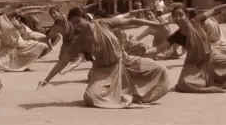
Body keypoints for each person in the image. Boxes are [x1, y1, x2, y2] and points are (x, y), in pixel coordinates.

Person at [37, 7, 170, 109]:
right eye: (74, 24)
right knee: (91, 97)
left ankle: (137, 96)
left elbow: (130, 20)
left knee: (160, 69)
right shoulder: (80, 40)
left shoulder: (103, 24)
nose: (77, 26)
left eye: (78, 21)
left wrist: (155, 25)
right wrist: (47, 79)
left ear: (85, 18)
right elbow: (65, 60)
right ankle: (124, 96)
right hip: (104, 71)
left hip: (124, 61)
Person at [145, 1, 226, 93]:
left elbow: (215, 9)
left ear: (186, 16)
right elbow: (159, 48)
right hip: (195, 64)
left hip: (212, 57)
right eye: (175, 16)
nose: (177, 18)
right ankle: (212, 85)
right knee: (184, 83)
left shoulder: (196, 21)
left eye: (180, 15)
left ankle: (224, 85)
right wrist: (142, 52)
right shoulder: (176, 36)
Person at [0, 5, 52, 72]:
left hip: (20, 44)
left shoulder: (5, 17)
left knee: (42, 46)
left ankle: (25, 64)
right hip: (6, 49)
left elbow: (23, 9)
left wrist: (39, 8)